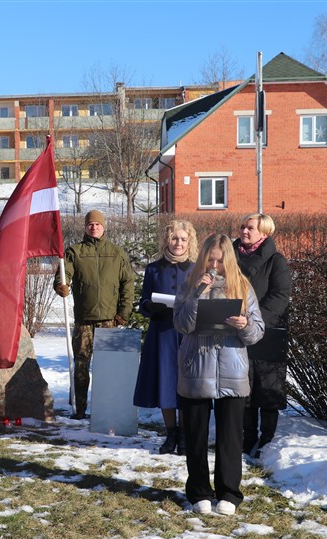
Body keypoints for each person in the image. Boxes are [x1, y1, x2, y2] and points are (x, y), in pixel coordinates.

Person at [173, 233, 264, 516]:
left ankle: (229, 493)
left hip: (231, 371)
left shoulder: (242, 286)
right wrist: (197, 293)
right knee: (196, 435)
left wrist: (244, 323)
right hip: (195, 370)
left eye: (220, 261)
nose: (214, 265)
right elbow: (181, 325)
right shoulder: (190, 283)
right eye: (210, 259)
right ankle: (199, 491)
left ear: (229, 260)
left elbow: (257, 332)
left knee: (230, 437)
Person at [54, 209, 134, 420]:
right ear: (86, 227)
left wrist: (123, 314)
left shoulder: (117, 253)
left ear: (103, 226)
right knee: (81, 366)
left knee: (108, 368)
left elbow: (128, 283)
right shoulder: (75, 251)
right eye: (90, 224)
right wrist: (60, 285)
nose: (94, 227)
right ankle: (80, 410)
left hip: (109, 320)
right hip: (84, 321)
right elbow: (64, 273)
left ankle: (106, 410)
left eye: (98, 224)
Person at [133, 220, 198, 455]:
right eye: (174, 238)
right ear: (166, 241)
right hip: (161, 334)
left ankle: (184, 435)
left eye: (182, 239)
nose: (178, 243)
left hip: (187, 335)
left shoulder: (196, 269)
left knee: (186, 383)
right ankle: (171, 433)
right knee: (166, 383)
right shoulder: (153, 269)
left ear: (189, 241)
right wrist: (151, 306)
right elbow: (142, 303)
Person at [233, 213, 292, 457]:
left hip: (268, 330)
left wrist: (256, 320)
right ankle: (248, 437)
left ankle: (267, 439)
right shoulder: (231, 256)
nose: (244, 231)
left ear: (264, 233)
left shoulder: (276, 261)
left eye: (250, 228)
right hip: (236, 328)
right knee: (243, 385)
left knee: (267, 387)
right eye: (243, 227)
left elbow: (279, 295)